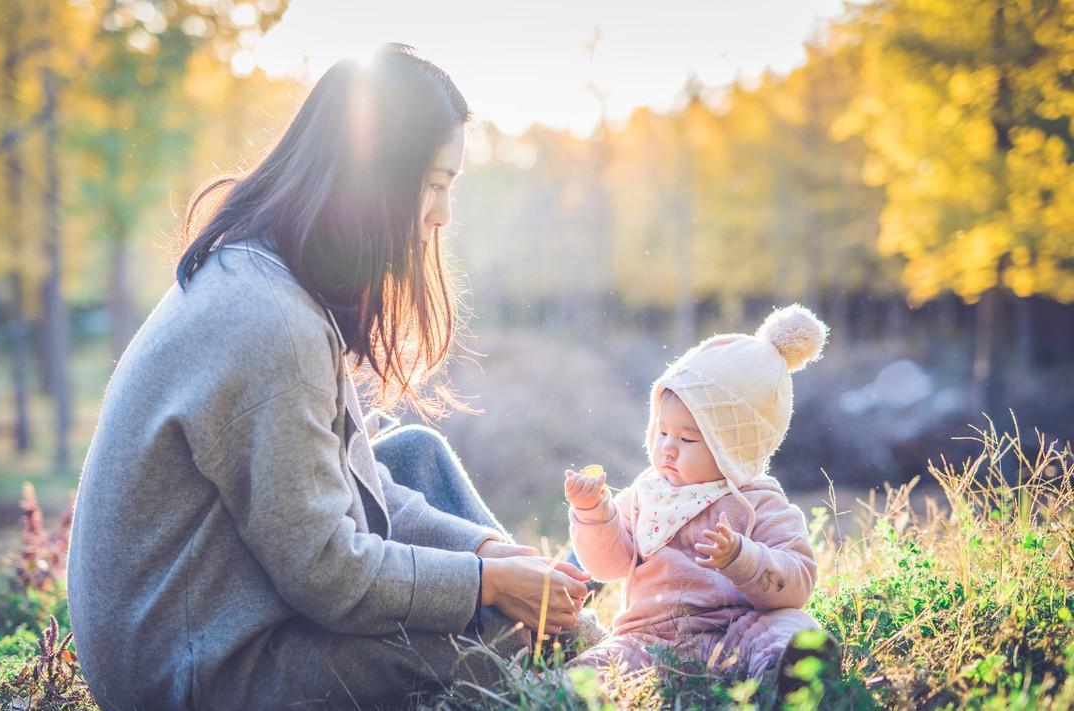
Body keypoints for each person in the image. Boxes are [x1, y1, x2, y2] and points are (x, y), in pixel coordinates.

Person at [67, 43, 589, 710]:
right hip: (198, 675)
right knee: (502, 628)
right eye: (433, 184)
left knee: (415, 456)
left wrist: (487, 551)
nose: (441, 217)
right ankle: (583, 652)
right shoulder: (269, 326)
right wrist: (485, 583)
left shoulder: (266, 274)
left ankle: (562, 619)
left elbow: (348, 480)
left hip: (214, 614)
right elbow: (330, 574)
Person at [564, 304, 834, 692]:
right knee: (604, 662)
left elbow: (798, 579)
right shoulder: (647, 492)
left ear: (734, 446)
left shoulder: (758, 499)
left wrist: (743, 558)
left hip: (741, 629)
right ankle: (568, 688)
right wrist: (593, 514)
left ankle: (789, 674)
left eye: (688, 438)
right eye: (662, 433)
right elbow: (608, 566)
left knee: (791, 627)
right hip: (652, 638)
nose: (668, 449)